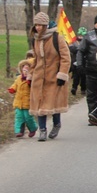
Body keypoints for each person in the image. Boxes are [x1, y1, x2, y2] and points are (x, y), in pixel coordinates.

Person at [29, 11, 70, 141]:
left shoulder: (57, 37)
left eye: (40, 25)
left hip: (54, 77)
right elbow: (35, 59)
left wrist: (62, 74)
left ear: (46, 25)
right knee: (40, 105)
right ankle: (42, 130)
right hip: (38, 78)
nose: (38, 27)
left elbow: (66, 58)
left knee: (53, 104)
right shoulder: (35, 39)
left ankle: (56, 124)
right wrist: (30, 74)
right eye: (36, 25)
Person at [8, 58, 37, 138]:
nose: (25, 71)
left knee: (28, 117)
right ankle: (18, 131)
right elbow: (15, 85)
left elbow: (34, 88)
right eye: (23, 69)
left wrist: (29, 82)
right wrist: (12, 89)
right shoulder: (18, 78)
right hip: (18, 102)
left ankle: (33, 128)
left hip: (27, 102)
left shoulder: (31, 79)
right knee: (19, 117)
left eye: (27, 69)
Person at [69, 27, 87, 96]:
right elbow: (71, 48)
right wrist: (78, 50)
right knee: (76, 77)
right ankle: (74, 88)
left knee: (84, 78)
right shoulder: (74, 42)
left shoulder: (86, 42)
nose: (80, 37)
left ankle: (83, 89)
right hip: (75, 63)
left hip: (84, 63)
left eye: (82, 36)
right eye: (79, 35)